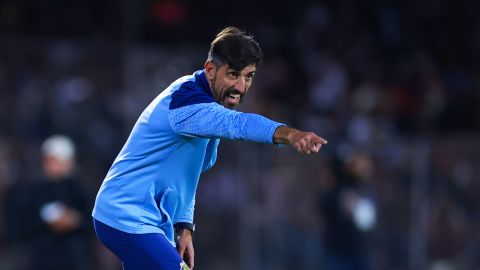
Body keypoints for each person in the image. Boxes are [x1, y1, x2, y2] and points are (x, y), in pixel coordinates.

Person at [92, 26, 327, 270]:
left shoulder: (204, 99)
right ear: (210, 69)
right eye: (233, 74)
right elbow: (238, 124)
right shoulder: (188, 105)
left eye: (248, 76)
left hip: (148, 220)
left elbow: (186, 174)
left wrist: (185, 225)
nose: (240, 86)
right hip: (126, 215)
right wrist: (290, 133)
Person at [4, 135, 94, 270]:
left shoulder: (79, 189)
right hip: (41, 258)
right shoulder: (31, 189)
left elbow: (91, 222)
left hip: (73, 259)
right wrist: (47, 223)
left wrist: (75, 220)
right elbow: (18, 224)